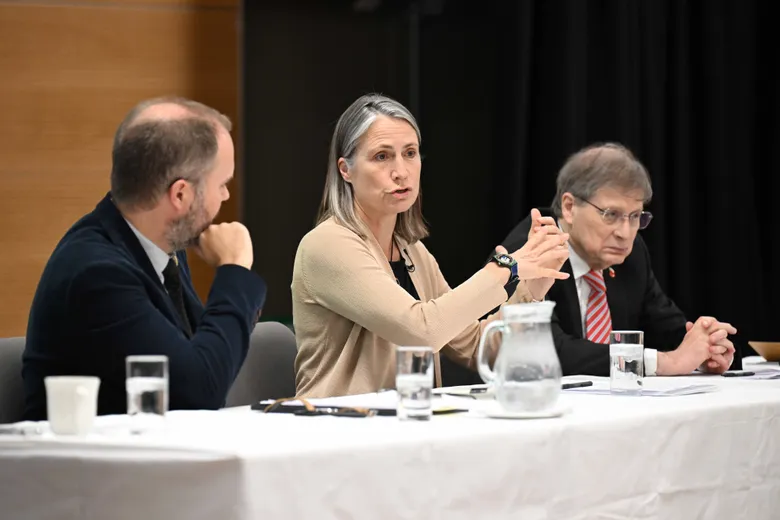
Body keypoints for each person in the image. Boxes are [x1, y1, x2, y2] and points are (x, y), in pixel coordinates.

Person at [292, 93, 570, 398]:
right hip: (336, 430)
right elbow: (421, 331)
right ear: (345, 170)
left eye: (410, 153)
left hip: (408, 426)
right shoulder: (328, 244)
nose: (401, 171)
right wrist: (505, 269)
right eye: (382, 156)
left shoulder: (412, 251)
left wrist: (530, 289)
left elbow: (478, 348)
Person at [22, 97, 266, 419]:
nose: (226, 197)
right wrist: (233, 270)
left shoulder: (160, 247)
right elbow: (200, 389)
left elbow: (197, 357)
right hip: (91, 465)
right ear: (180, 194)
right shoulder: (96, 275)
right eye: (221, 185)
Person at [496, 142, 737, 377]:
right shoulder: (526, 250)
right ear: (569, 207)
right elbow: (544, 350)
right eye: (611, 215)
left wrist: (705, 347)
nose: (625, 233)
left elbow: (665, 326)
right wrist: (666, 362)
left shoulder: (632, 254)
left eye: (635, 217)